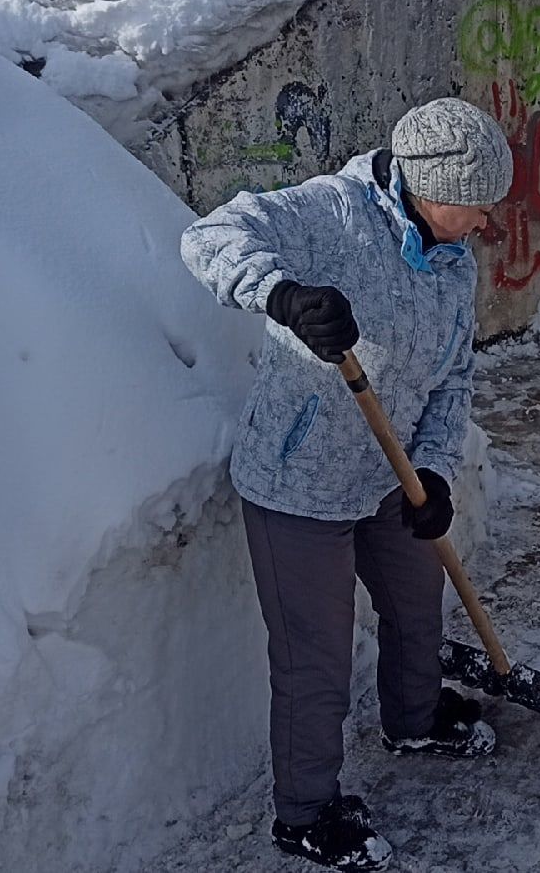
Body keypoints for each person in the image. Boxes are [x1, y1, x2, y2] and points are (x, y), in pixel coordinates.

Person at [180, 97, 512, 872]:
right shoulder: (331, 213)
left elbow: (452, 380)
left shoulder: (451, 260)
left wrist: (432, 468)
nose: (485, 225)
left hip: (390, 475)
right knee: (314, 661)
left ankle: (415, 717)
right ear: (430, 189)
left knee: (415, 607)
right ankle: (304, 812)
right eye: (476, 207)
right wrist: (283, 297)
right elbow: (210, 236)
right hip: (297, 485)